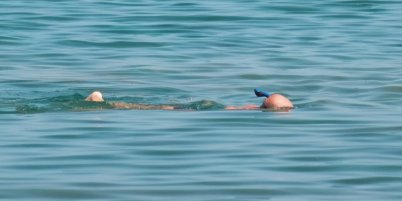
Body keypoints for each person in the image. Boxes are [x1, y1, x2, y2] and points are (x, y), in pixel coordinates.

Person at [84, 89, 293, 111]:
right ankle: (101, 103)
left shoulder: (255, 108)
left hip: (206, 110)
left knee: (151, 107)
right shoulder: (256, 110)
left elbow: (275, 99)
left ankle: (101, 102)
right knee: (151, 107)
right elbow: (276, 100)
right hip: (205, 111)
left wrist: (265, 94)